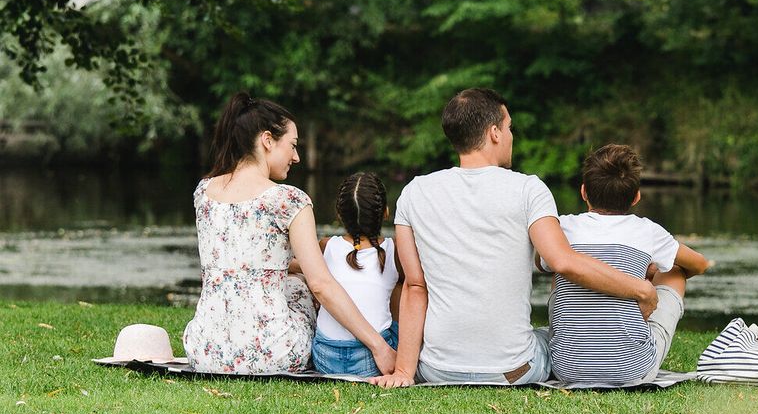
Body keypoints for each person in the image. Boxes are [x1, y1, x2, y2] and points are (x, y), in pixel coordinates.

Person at [371, 88, 659, 388]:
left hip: (437, 370)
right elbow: (563, 261)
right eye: (509, 128)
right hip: (513, 371)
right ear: (494, 133)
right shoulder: (529, 189)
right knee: (552, 338)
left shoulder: (414, 193)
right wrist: (641, 289)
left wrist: (405, 372)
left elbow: (415, 287)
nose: (511, 136)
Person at [182, 92, 395, 376]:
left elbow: (243, 261)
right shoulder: (289, 200)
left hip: (205, 350)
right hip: (272, 354)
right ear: (267, 140)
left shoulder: (204, 191)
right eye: (292, 146)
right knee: (297, 284)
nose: (296, 157)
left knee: (287, 276)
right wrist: (378, 346)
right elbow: (320, 284)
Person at [539, 144, 709, 385]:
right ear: (636, 197)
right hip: (633, 370)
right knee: (675, 272)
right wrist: (650, 270)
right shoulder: (648, 230)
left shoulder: (563, 227)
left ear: (584, 192)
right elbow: (700, 264)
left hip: (567, 368)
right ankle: (632, 334)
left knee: (558, 266)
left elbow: (540, 262)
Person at [311, 172, 402, 377]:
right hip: (371, 361)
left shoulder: (327, 245)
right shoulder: (393, 250)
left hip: (325, 358)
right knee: (404, 284)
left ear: (339, 215)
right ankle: (398, 351)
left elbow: (303, 268)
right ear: (386, 213)